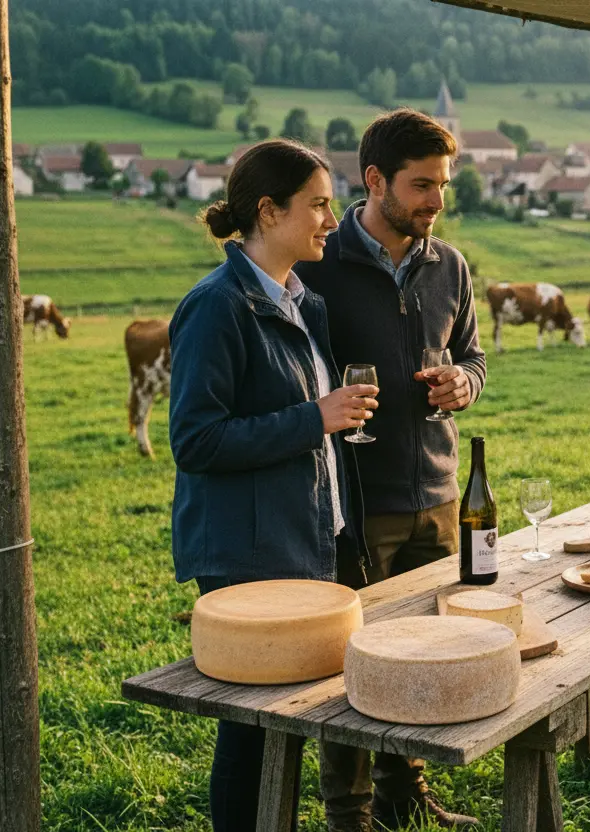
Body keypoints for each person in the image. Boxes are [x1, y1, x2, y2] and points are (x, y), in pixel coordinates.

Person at [168, 139, 378, 832]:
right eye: (318, 204)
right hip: (248, 552)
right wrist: (313, 418)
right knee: (253, 729)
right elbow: (195, 441)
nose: (330, 219)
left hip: (308, 536)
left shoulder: (301, 302)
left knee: (282, 724)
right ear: (268, 210)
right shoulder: (216, 307)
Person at [294, 109, 486, 830]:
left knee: (420, 649)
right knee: (352, 659)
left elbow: (472, 354)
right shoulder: (317, 262)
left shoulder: (452, 265)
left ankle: (405, 791)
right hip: (353, 498)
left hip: (436, 492)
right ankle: (349, 810)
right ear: (374, 180)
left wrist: (464, 383)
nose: (436, 200)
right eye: (421, 185)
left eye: (442, 184)